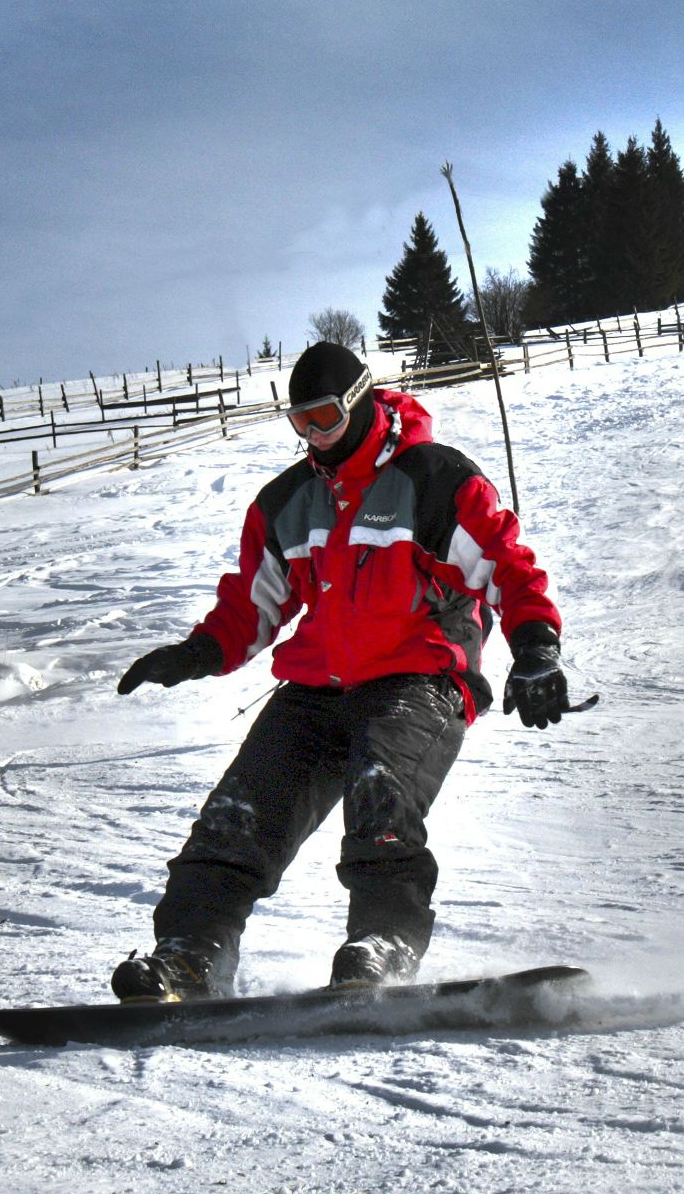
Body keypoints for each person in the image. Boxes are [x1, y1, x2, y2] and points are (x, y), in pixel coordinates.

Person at [111, 342, 569, 1001]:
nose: (312, 435)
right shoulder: (289, 502)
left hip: (419, 677)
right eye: (299, 422)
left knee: (380, 796)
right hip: (317, 687)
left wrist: (536, 648)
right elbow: (253, 604)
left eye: (323, 417)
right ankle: (190, 956)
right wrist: (197, 653)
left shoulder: (433, 480)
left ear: (357, 404)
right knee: (234, 816)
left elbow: (507, 567)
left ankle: (381, 943)